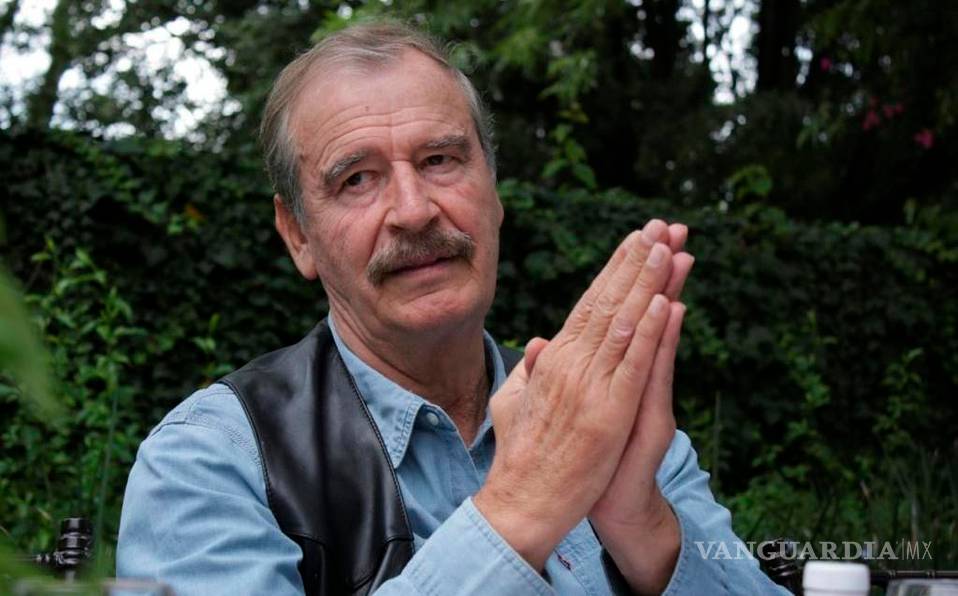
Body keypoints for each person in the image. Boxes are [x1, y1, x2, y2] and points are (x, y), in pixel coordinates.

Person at [117, 20, 790, 596]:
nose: (414, 211)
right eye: (357, 179)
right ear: (298, 235)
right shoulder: (207, 462)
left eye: (440, 160)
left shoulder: (606, 420)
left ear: (493, 193)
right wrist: (521, 509)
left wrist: (645, 525)